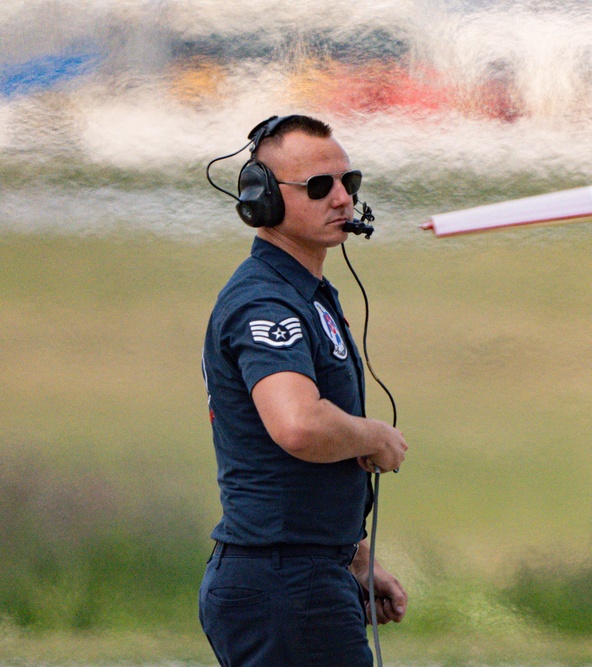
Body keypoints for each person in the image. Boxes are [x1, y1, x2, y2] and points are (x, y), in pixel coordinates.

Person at [199, 114, 409, 666]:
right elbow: (298, 425)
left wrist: (355, 558)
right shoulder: (265, 302)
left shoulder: (308, 293)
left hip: (305, 575)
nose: (341, 198)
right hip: (283, 584)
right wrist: (375, 436)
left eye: (349, 182)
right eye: (319, 187)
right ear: (262, 200)